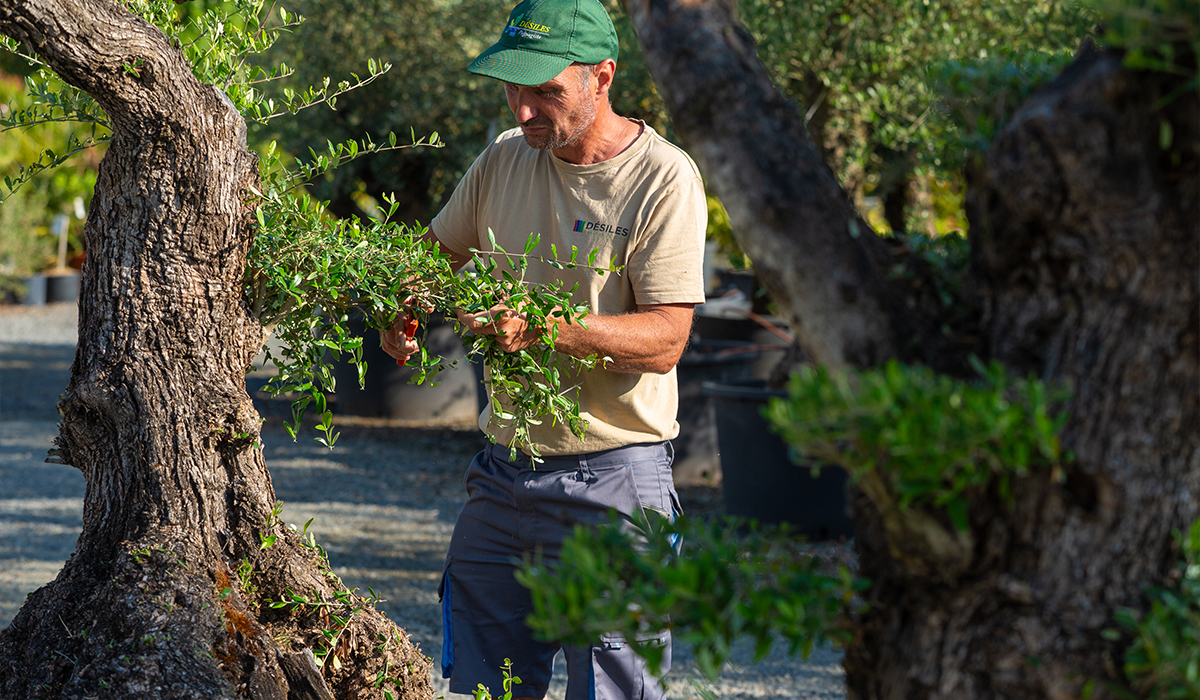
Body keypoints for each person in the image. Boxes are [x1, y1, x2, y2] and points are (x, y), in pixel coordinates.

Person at [380, 0, 707, 697]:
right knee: (483, 685)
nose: (524, 110)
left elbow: (666, 340)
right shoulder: (504, 157)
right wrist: (398, 307)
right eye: (514, 88)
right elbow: (432, 256)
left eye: (546, 92)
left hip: (616, 484)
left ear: (602, 77)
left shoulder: (663, 179)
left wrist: (545, 327)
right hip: (503, 480)